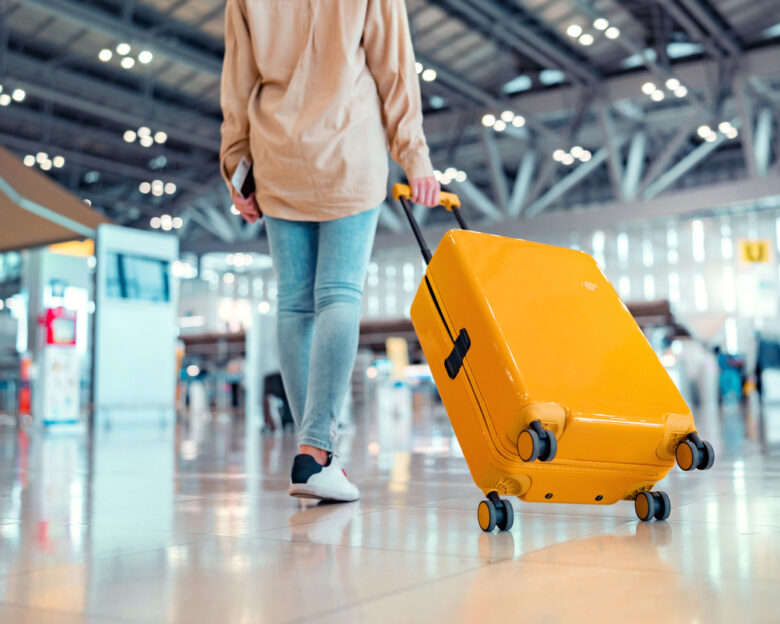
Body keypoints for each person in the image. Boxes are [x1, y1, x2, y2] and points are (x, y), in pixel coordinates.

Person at [220, 0, 439, 502]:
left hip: (279, 157)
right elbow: (394, 69)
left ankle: (311, 456)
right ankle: (317, 452)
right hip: (348, 151)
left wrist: (235, 164)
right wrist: (416, 156)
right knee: (338, 294)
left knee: (295, 304)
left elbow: (236, 80)